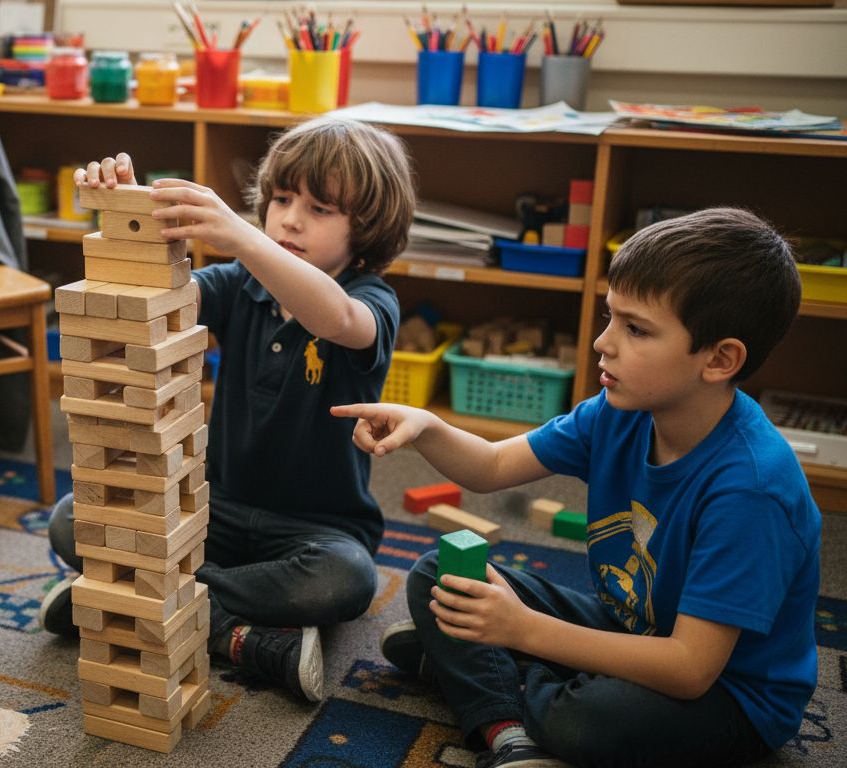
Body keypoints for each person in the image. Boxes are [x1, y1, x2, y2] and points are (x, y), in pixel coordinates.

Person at [333, 207, 820, 767]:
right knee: (437, 573)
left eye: (636, 329)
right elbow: (492, 466)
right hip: (631, 627)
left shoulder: (752, 491)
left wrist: (524, 631)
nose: (602, 342)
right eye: (611, 316)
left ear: (720, 358)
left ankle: (488, 677)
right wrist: (426, 426)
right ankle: (507, 720)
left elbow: (690, 668)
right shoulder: (617, 412)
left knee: (584, 721)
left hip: (729, 695)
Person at [38, 117, 418, 702]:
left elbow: (337, 319)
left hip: (317, 532)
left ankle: (134, 603)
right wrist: (131, 217)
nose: (290, 219)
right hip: (211, 509)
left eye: (319, 209)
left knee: (347, 580)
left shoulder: (370, 300)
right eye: (282, 200)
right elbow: (155, 301)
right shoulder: (241, 283)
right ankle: (224, 627)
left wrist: (244, 238)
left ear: (365, 228)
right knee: (73, 517)